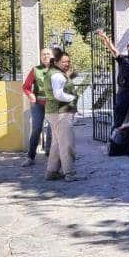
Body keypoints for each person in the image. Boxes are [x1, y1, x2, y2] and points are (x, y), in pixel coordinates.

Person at [96, 30, 129, 127]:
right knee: (118, 120)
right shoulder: (123, 59)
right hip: (124, 93)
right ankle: (114, 141)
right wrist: (105, 38)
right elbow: (113, 50)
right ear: (127, 47)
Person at [44, 52, 79, 182]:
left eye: (68, 61)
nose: (67, 64)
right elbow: (58, 94)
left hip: (53, 112)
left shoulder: (52, 73)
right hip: (60, 112)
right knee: (67, 143)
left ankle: (52, 171)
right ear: (56, 61)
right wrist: (73, 97)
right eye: (64, 61)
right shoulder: (57, 75)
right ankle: (70, 173)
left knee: (57, 143)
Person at [21, 47, 54, 167]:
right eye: (43, 54)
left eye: (48, 54)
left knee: (52, 129)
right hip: (38, 104)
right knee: (36, 129)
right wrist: (30, 95)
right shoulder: (35, 70)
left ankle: (50, 154)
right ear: (40, 57)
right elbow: (25, 86)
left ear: (52, 56)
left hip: (52, 104)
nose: (46, 56)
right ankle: (30, 157)